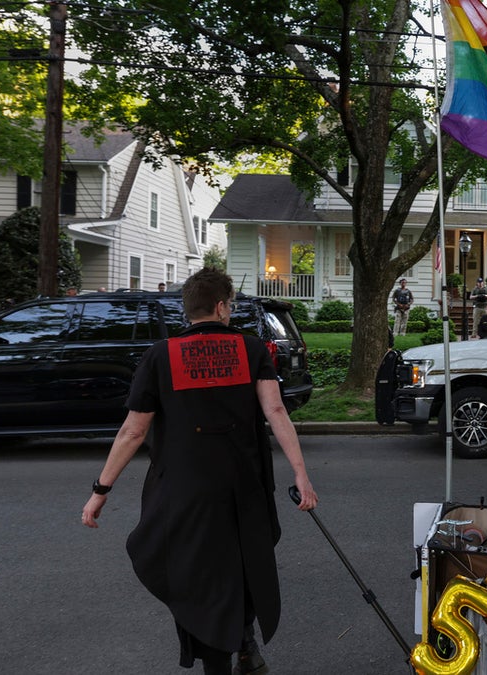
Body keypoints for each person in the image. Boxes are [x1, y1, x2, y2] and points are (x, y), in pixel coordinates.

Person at [81, 268, 319, 674]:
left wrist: (101, 490)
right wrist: (301, 473)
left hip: (185, 489)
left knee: (197, 573)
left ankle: (220, 660)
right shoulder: (251, 349)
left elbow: (133, 431)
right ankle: (245, 643)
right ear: (222, 306)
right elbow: (276, 410)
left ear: (188, 310)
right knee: (244, 561)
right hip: (243, 483)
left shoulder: (160, 356)